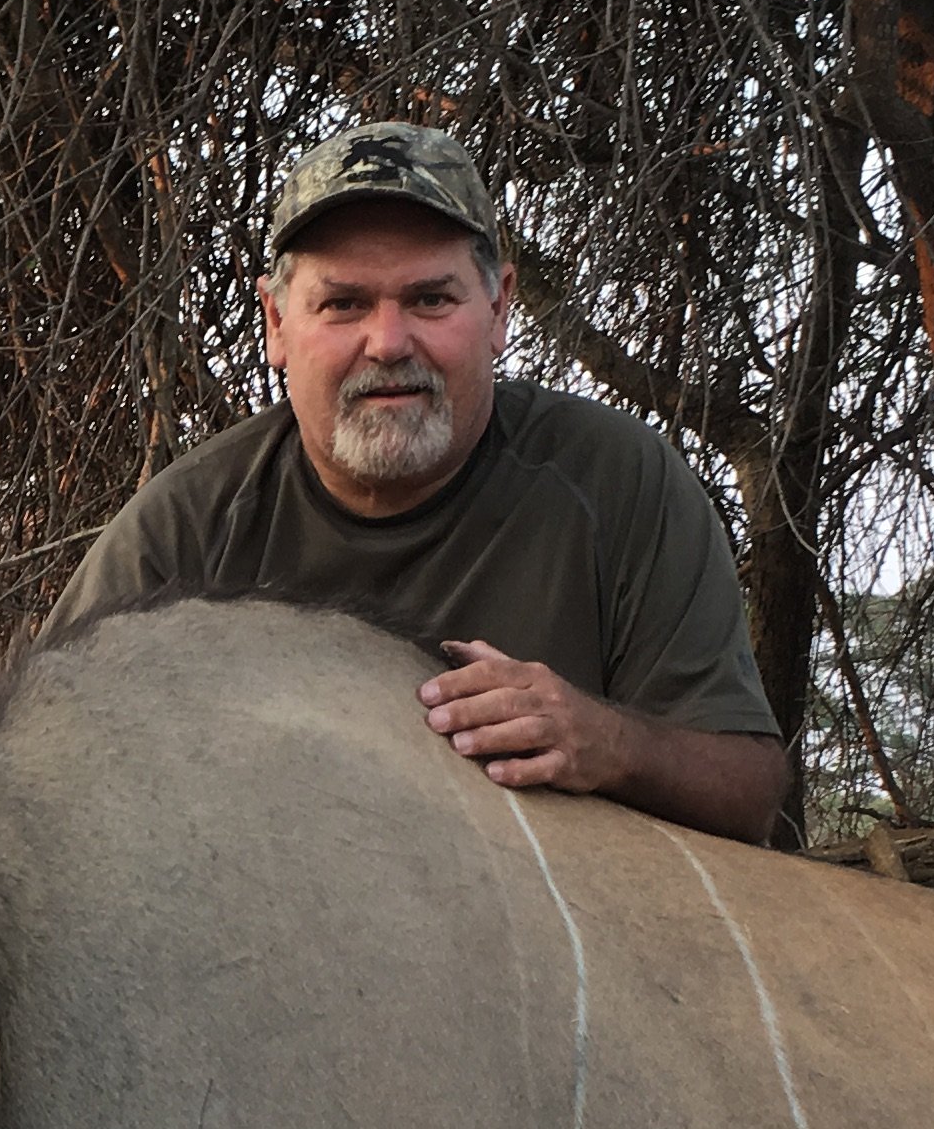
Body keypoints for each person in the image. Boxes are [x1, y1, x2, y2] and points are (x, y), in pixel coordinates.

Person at [45, 121, 789, 844]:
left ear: (498, 308)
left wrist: (607, 743)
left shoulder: (619, 479)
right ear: (275, 322)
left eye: (431, 299)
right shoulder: (185, 531)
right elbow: (46, 779)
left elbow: (751, 792)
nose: (389, 343)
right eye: (343, 305)